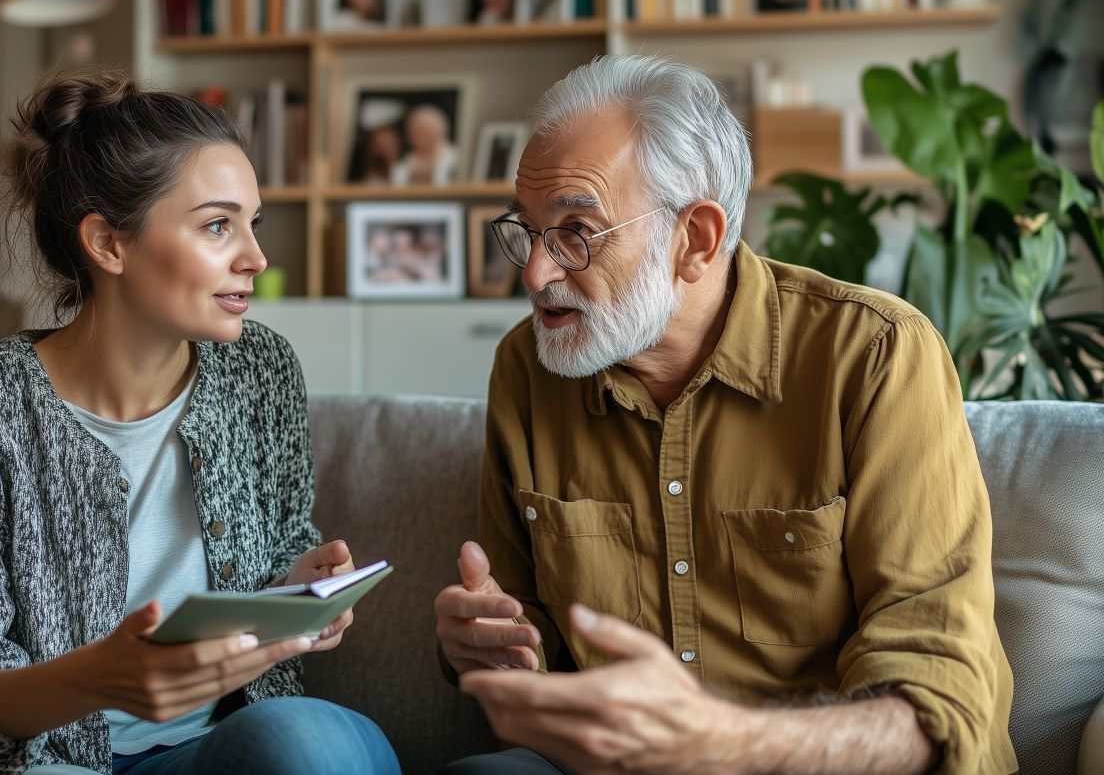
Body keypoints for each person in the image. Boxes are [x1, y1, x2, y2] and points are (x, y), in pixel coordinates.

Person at [433, 55, 1016, 774]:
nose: (534, 273)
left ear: (697, 240)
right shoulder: (530, 369)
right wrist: (482, 645)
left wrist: (721, 745)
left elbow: (937, 699)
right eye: (526, 231)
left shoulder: (876, 357)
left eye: (576, 231)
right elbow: (527, 634)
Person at [0, 66, 401, 775]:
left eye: (251, 224)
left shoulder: (260, 370)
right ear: (108, 243)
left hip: (220, 750)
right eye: (217, 226)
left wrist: (297, 587)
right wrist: (93, 679)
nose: (256, 258)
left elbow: (280, 545)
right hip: (48, 763)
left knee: (308, 742)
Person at [391, 105, 457, 185]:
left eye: (425, 132)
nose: (420, 139)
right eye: (415, 133)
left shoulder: (456, 159)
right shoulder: (405, 163)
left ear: (441, 132)